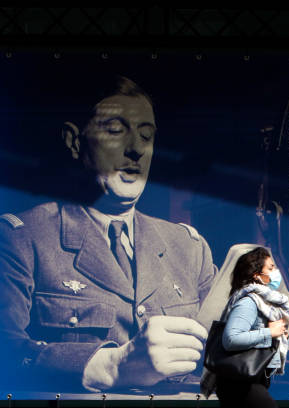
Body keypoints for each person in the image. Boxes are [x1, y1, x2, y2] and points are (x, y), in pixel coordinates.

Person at [0, 76, 217, 392]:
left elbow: (221, 358)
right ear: (75, 142)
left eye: (146, 136)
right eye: (116, 132)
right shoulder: (22, 240)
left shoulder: (188, 247)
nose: (135, 150)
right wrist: (111, 367)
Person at [201, 247, 289, 407]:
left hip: (249, 380)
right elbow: (231, 339)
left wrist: (279, 336)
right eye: (271, 267)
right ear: (256, 275)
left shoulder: (263, 302)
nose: (276, 271)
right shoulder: (248, 302)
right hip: (240, 384)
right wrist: (269, 332)